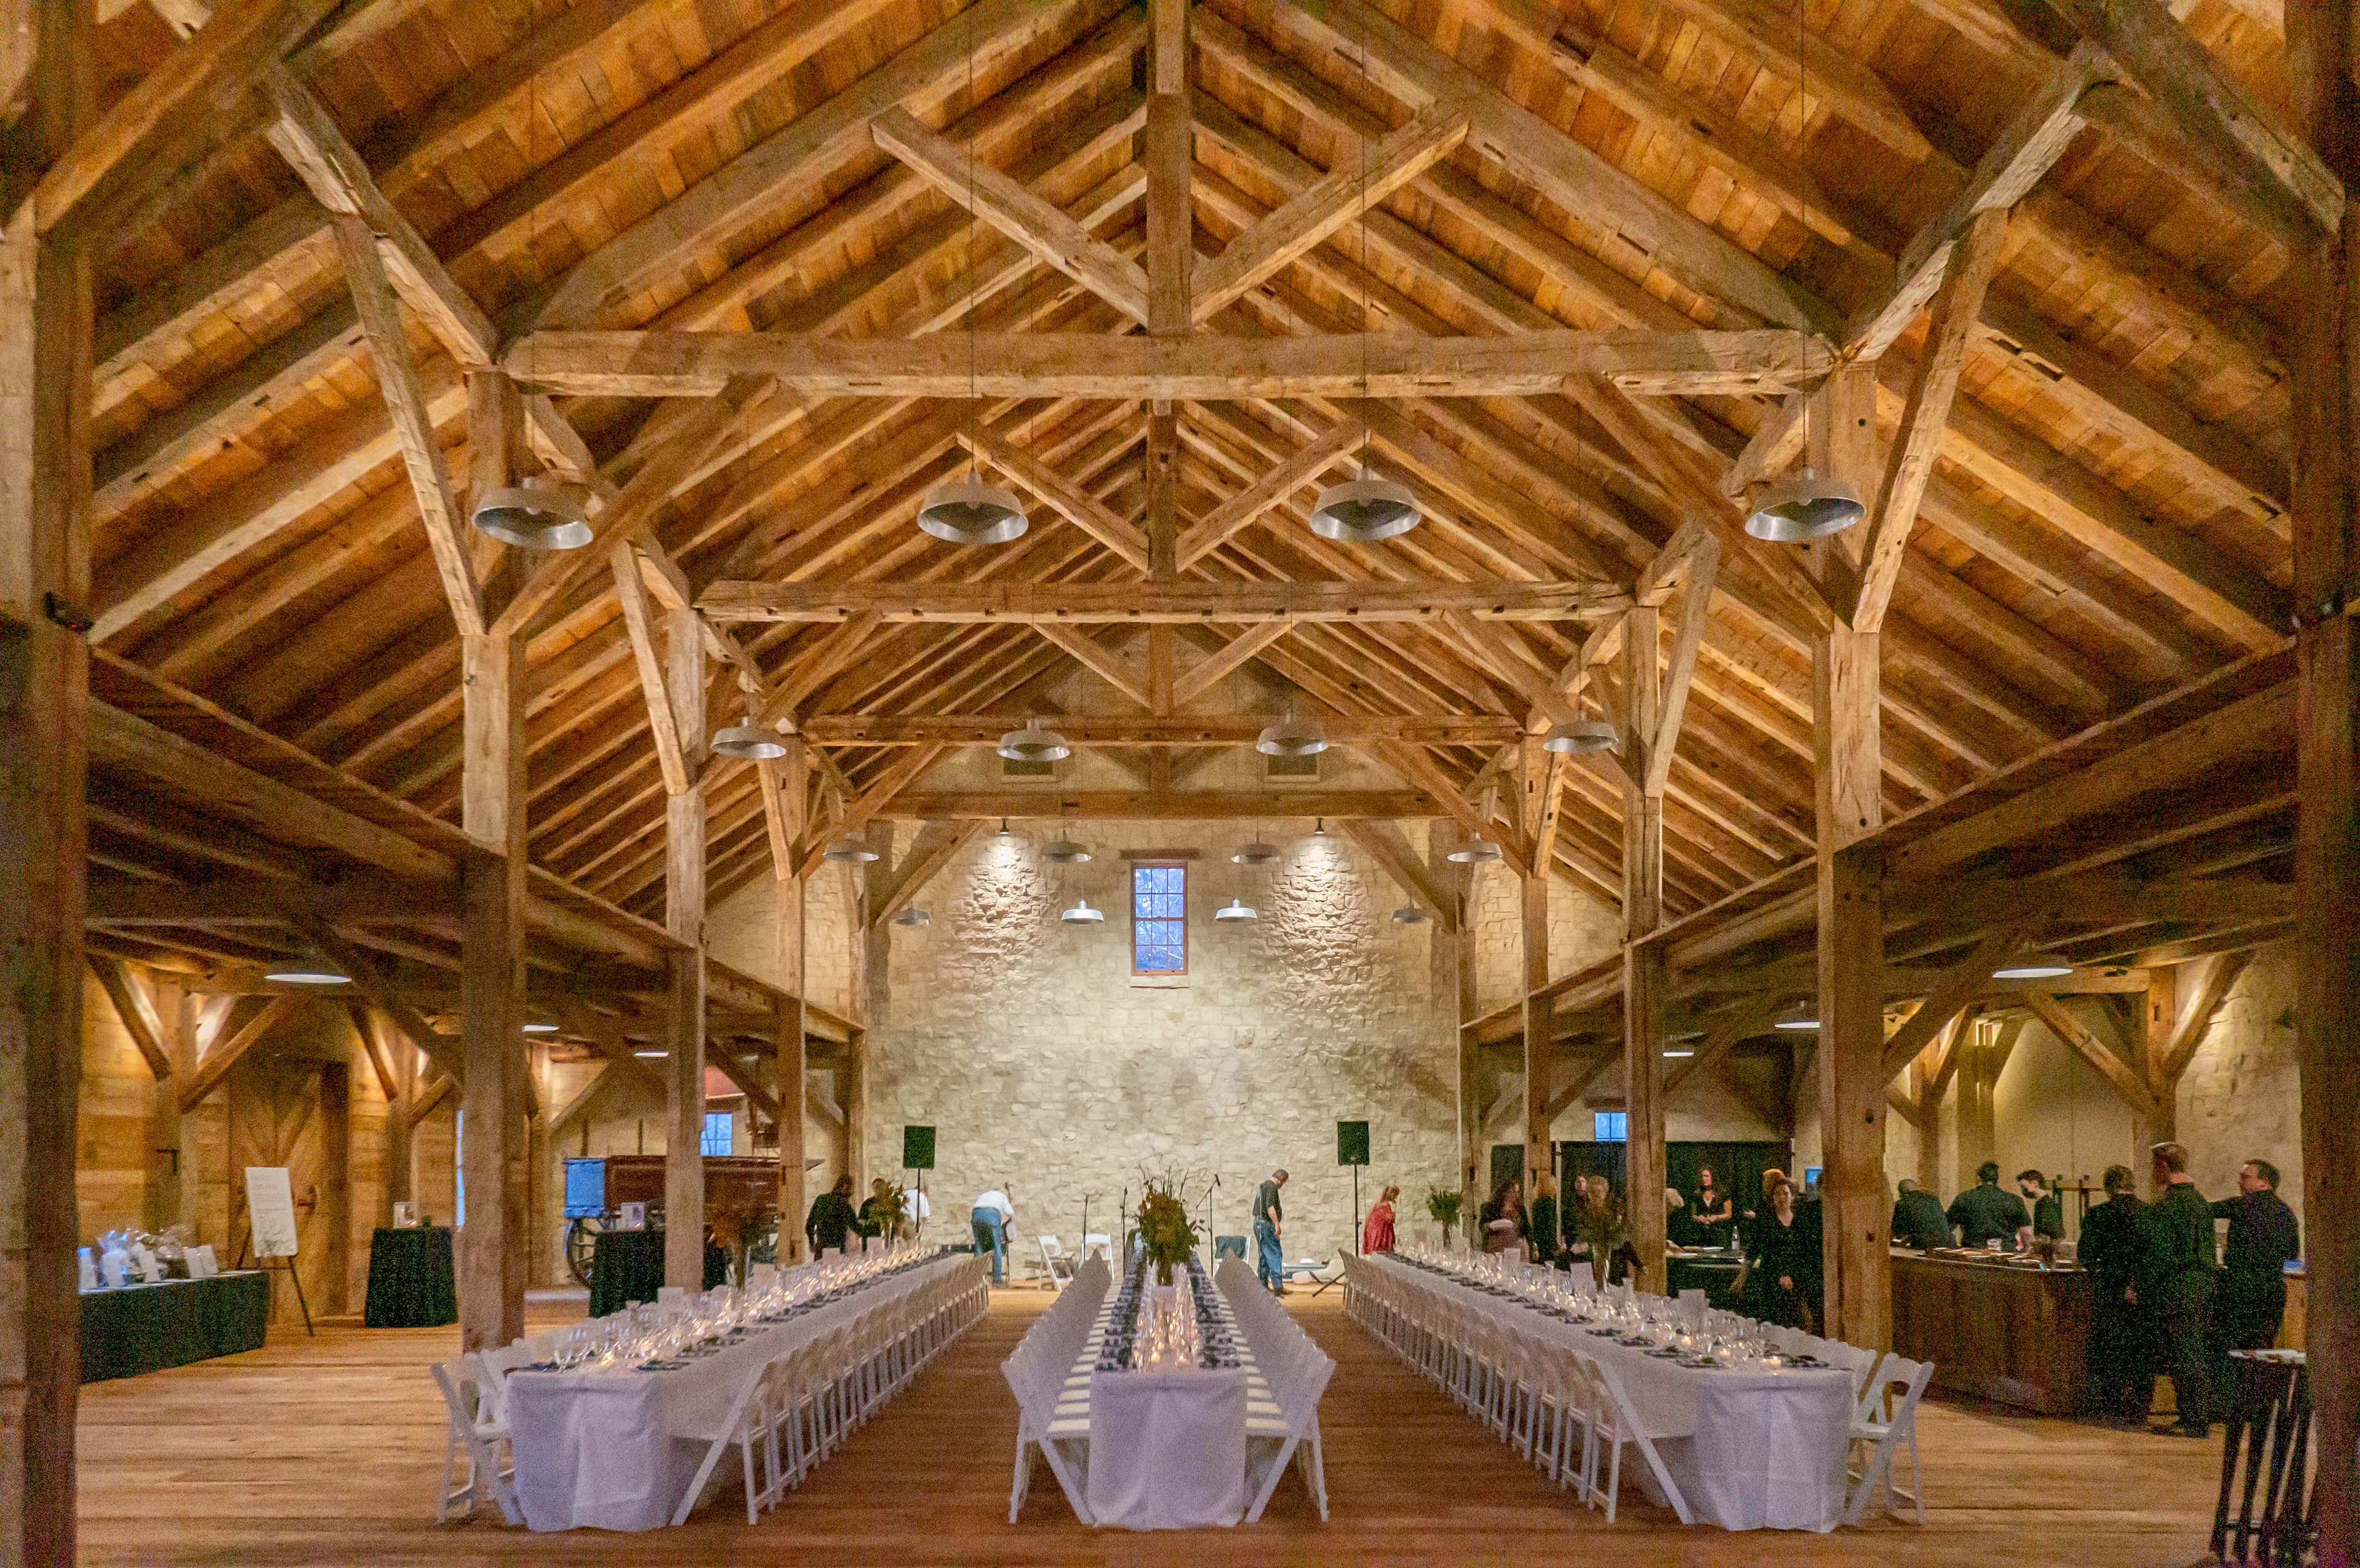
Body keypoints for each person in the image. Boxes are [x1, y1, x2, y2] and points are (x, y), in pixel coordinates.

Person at [2207, 1158, 2300, 1421]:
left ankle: (2229, 1408)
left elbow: (2206, 1210)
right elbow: (2292, 1253)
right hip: (2271, 1290)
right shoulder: (2286, 1212)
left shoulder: (2241, 1205)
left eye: (2245, 1176)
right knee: (2261, 1349)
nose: (2240, 1181)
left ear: (2263, 1182)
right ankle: (2259, 1409)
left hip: (2240, 1288)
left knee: (2233, 1348)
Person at [2134, 1141, 2216, 1439]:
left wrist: (2140, 1287)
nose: (2152, 1173)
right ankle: (2196, 1416)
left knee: (2184, 1356)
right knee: (2195, 1353)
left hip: (2177, 1287)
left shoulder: (2168, 1206)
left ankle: (2193, 1421)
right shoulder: (2200, 1202)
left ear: (2164, 1166)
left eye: (2154, 1166)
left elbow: (2159, 1254)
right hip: (2202, 1285)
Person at [2080, 1164, 2146, 1425]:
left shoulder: (2098, 1215)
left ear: (2108, 1188)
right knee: (2139, 1350)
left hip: (2109, 1288)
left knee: (2108, 1348)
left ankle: (2110, 1403)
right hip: (2142, 1290)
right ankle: (2139, 1405)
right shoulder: (2149, 1213)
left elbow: (2085, 1256)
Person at [1737, 1176, 1819, 1330]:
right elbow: (1755, 1251)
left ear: (1793, 1197)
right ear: (1773, 1198)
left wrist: (1792, 1276)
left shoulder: (1801, 1222)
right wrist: (1743, 1275)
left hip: (1797, 1282)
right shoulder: (1765, 1222)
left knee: (1797, 1326)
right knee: (1772, 1325)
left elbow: (1806, 1254)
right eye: (1777, 1194)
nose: (1781, 1197)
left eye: (1785, 1193)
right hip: (1771, 1281)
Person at [1947, 1161, 2032, 1249]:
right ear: (1997, 1179)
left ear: (1979, 1178)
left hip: (1973, 1251)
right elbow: (2026, 1232)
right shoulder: (2014, 1200)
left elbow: (1947, 1227)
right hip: (2006, 1251)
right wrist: (2026, 1250)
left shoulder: (1964, 1198)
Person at [1571, 1177, 1634, 1288]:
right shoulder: (1581, 1214)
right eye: (1593, 1192)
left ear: (1605, 1194)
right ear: (1589, 1194)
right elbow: (1578, 1235)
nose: (1598, 1196)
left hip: (1609, 1265)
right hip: (1585, 1266)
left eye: (1600, 1192)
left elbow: (1620, 1240)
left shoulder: (1611, 1217)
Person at [1892, 1177, 1952, 1252]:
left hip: (1925, 1245)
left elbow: (1898, 1229)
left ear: (1902, 1193)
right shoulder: (1934, 1199)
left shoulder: (1901, 1204)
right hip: (1949, 1242)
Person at [970, 1183, 1013, 1285]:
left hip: (976, 1216)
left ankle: (978, 1279)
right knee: (997, 1247)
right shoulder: (1002, 1197)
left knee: (979, 1246)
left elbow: (976, 1207)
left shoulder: (983, 1196)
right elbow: (1010, 1212)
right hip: (992, 1216)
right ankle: (997, 1279)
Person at [805, 1174, 859, 1257]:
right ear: (845, 1187)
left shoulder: (821, 1200)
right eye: (853, 1188)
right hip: (838, 1251)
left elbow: (809, 1225)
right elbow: (857, 1227)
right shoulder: (846, 1207)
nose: (853, 1192)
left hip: (821, 1249)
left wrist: (812, 1243)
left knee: (820, 1270)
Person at [1253, 1169, 1288, 1293]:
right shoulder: (1272, 1187)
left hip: (1258, 1223)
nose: (1282, 1186)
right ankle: (1278, 1285)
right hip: (1266, 1224)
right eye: (1283, 1182)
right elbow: (1270, 1207)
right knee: (1274, 1252)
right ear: (1281, 1179)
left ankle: (1262, 1285)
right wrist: (1277, 1225)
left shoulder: (1263, 1186)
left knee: (1264, 1253)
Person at [1479, 1178, 1525, 1256]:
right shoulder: (1491, 1207)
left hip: (1514, 1247)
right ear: (1505, 1192)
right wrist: (1491, 1226)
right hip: (1496, 1246)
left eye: (1517, 1192)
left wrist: (1534, 1248)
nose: (1516, 1195)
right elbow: (1482, 1225)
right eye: (1513, 1192)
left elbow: (1527, 1230)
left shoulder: (1520, 1209)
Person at [1692, 1167, 1734, 1249]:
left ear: (1713, 1178)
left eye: (1707, 1176)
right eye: (1702, 1176)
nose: (1704, 1179)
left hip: (1719, 1232)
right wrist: (1698, 1217)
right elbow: (1692, 1214)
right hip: (1702, 1233)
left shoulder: (1723, 1193)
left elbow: (1729, 1214)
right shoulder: (1697, 1194)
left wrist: (1717, 1217)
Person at [2021, 1170, 2064, 1245]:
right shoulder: (2043, 1203)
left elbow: (2053, 1233)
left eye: (2024, 1187)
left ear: (2035, 1184)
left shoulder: (2046, 1205)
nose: (2023, 1190)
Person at [1526, 1174, 1560, 1267]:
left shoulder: (1537, 1203)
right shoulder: (1550, 1203)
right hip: (1548, 1245)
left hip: (1540, 1243)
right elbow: (1550, 1226)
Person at [1362, 1183, 1399, 1255]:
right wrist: (1394, 1210)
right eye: (1395, 1195)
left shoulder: (1377, 1204)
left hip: (1374, 1234)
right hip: (1381, 1235)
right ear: (1391, 1194)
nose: (1395, 1197)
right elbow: (1390, 1219)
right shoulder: (1385, 1205)